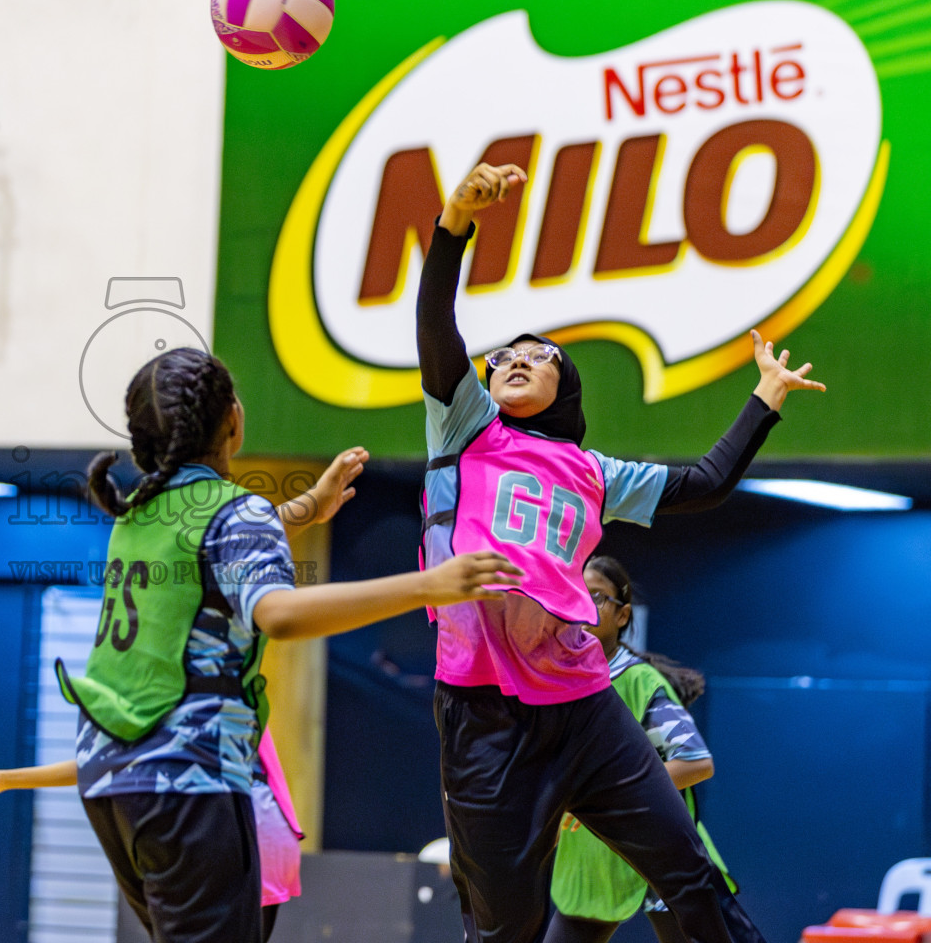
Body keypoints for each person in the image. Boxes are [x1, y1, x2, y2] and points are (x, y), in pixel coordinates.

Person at [417, 163, 823, 943]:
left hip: (580, 701)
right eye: (502, 356)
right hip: (482, 709)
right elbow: (438, 328)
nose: (511, 360)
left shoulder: (594, 473)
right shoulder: (466, 429)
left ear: (565, 385)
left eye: (536, 354)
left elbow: (705, 481)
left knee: (690, 876)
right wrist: (453, 225)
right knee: (505, 928)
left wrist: (763, 401)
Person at [61, 346, 523, 943]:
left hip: (109, 779)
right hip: (187, 775)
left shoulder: (138, 513)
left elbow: (212, 551)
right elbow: (276, 614)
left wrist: (308, 508)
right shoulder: (234, 510)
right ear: (232, 419)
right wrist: (428, 584)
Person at [0, 727, 305, 940]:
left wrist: (5, 779)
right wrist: (4, 779)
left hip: (244, 836)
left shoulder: (194, 682)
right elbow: (105, 762)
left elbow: (106, 762)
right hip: (246, 835)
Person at [548, 555, 734, 943]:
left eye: (596, 596)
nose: (583, 604)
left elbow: (696, 761)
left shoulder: (638, 680)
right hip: (595, 862)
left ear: (622, 615)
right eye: (575, 593)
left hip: (661, 857)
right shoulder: (558, 685)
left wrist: (606, 797)